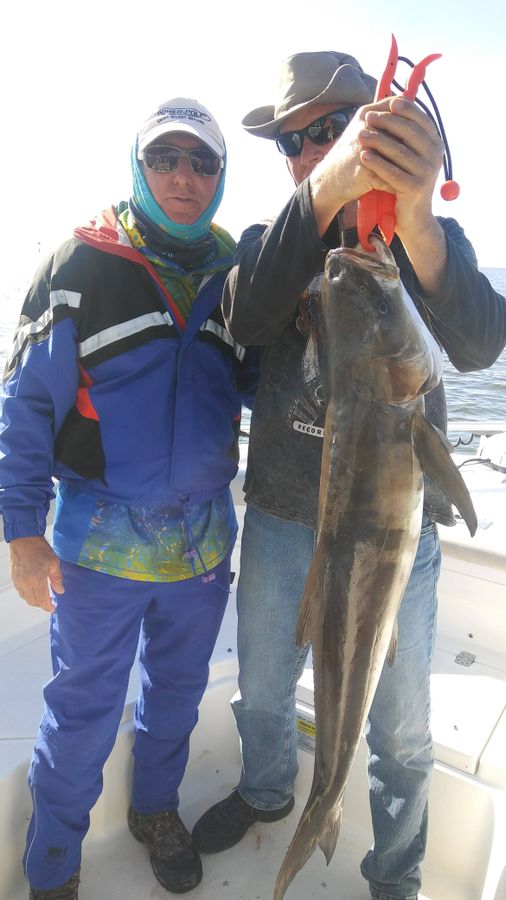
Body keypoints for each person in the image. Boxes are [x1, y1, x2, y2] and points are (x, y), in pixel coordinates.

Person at [191, 52, 506, 900]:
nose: (314, 147)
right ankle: (268, 790)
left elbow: (480, 342)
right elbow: (248, 312)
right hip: (285, 520)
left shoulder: (421, 240)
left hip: (399, 537)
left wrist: (422, 222)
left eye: (335, 129)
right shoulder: (275, 243)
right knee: (262, 689)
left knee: (402, 727)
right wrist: (325, 192)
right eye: (298, 140)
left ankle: (396, 872)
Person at [0, 97, 257, 899]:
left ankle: (155, 813)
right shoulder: (76, 263)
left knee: (176, 696)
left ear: (220, 176)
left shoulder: (238, 275)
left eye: (203, 161)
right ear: (138, 167)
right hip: (98, 548)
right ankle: (53, 866)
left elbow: (260, 387)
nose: (184, 176)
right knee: (81, 712)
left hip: (204, 546)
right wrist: (21, 532)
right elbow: (23, 407)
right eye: (165, 158)